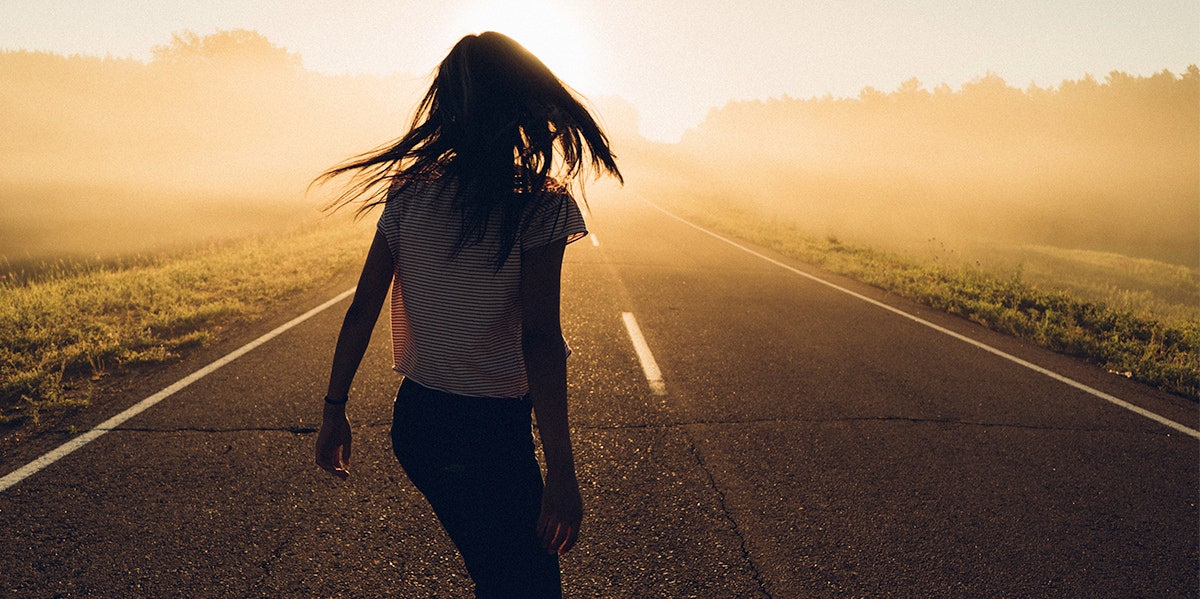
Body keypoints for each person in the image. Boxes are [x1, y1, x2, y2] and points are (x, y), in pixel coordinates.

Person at [312, 31, 621, 598]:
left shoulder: (408, 194)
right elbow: (541, 340)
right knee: (524, 584)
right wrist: (562, 473)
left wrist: (335, 410)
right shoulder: (543, 204)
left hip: (419, 426)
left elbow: (362, 309)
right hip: (489, 432)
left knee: (501, 574)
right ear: (524, 106)